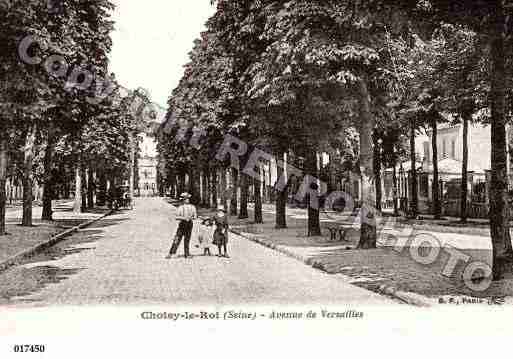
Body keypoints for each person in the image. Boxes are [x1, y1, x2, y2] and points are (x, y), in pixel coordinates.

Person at [167, 192, 197, 259]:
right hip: (182, 224)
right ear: (183, 200)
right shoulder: (180, 208)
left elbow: (195, 216)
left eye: (188, 199)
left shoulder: (193, 207)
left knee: (187, 239)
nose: (187, 200)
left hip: (189, 224)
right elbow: (176, 217)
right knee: (177, 238)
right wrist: (184, 218)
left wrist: (190, 218)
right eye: (185, 199)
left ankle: (187, 254)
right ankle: (172, 252)